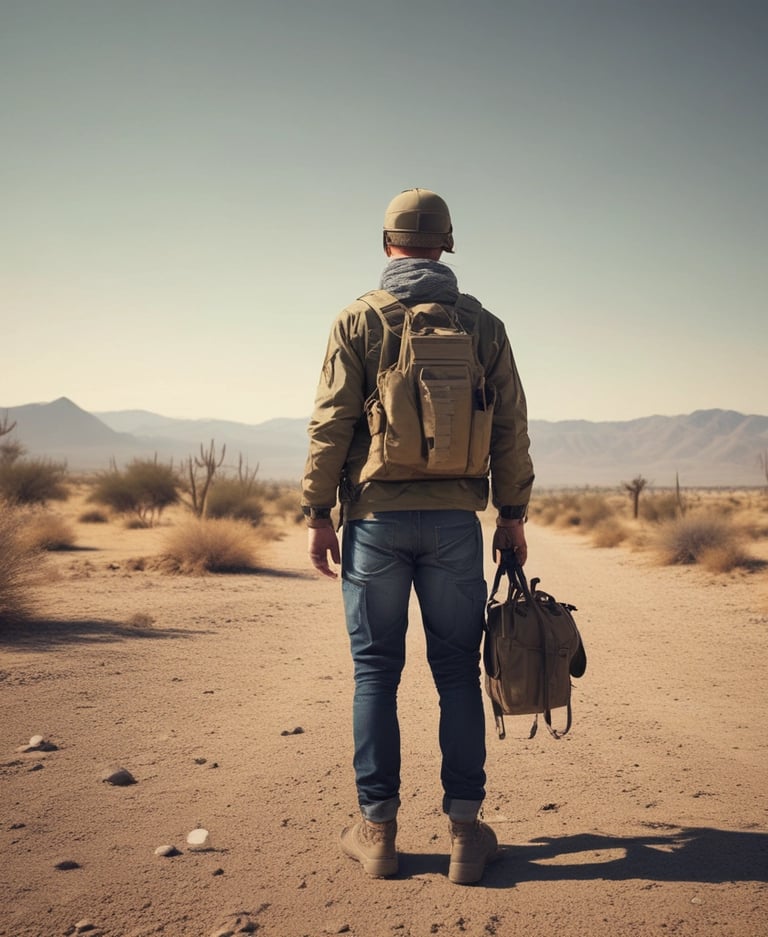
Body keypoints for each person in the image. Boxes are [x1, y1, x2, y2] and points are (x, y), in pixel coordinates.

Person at [301, 188, 534, 884]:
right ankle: (465, 831)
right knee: (458, 671)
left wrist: (318, 512)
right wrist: (512, 514)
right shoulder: (484, 325)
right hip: (457, 527)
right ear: (446, 244)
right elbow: (512, 427)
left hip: (374, 522)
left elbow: (331, 424)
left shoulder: (357, 321)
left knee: (376, 671)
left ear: (387, 244)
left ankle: (378, 831)